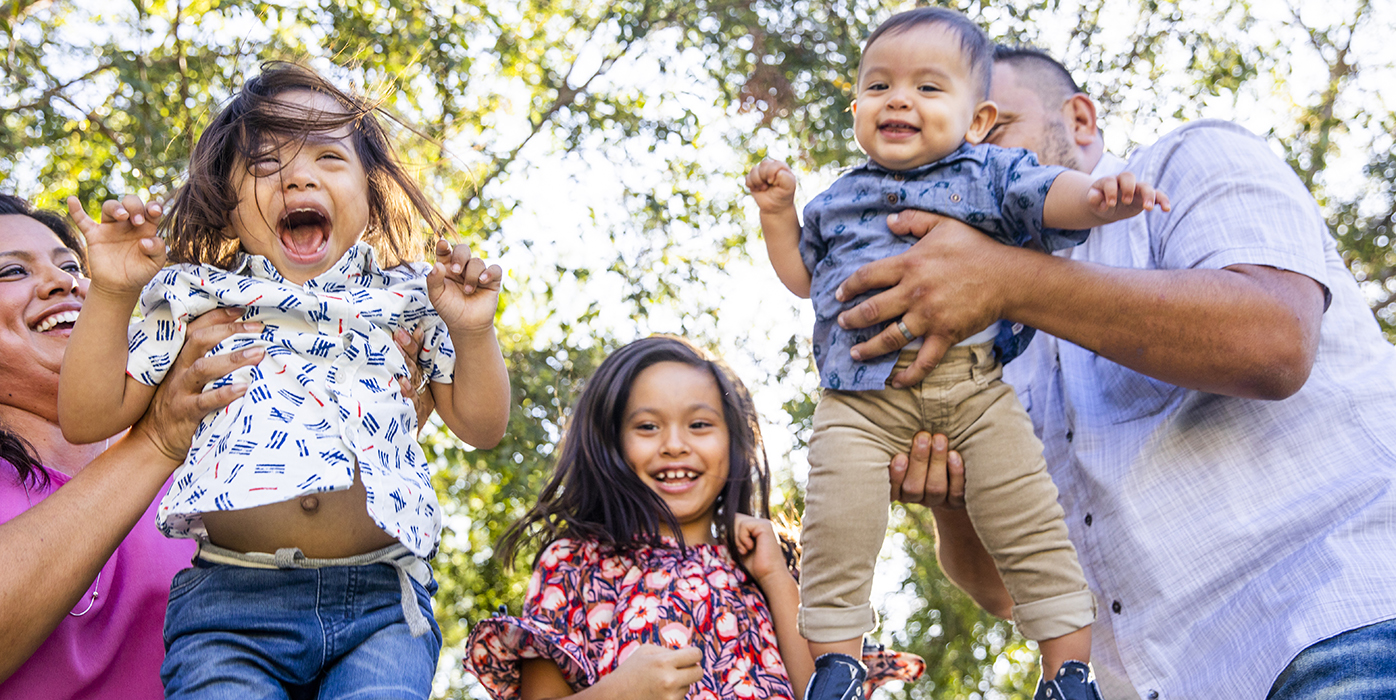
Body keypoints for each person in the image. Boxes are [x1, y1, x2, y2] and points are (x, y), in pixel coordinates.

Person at [847, 46, 1396, 699]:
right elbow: (1005, 593)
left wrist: (1006, 280)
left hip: (1344, 626)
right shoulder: (978, 351)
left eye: (991, 131)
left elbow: (1272, 340)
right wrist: (951, 504)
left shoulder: (1187, 161)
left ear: (1079, 121)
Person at [743, 10, 1166, 700]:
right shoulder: (838, 199)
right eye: (878, 86)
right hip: (858, 402)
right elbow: (802, 280)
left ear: (977, 120)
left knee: (1031, 524)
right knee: (835, 528)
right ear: (857, 109)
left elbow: (1045, 195)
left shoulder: (988, 171)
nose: (899, 99)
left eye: (928, 88)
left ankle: (1069, 673)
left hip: (975, 394)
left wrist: (1097, 200)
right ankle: (837, 665)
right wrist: (778, 216)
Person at [57, 63, 510, 697]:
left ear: (371, 191)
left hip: (380, 602)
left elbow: (483, 425)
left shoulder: (408, 298)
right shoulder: (198, 298)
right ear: (227, 202)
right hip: (232, 606)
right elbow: (86, 418)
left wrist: (473, 330)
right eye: (266, 164)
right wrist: (109, 291)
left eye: (328, 155)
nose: (298, 174)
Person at [0, 193, 263, 699]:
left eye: (70, 265)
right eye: (9, 272)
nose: (62, 282)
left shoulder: (206, 448)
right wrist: (154, 443)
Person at [462, 337, 924, 700]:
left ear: (734, 442)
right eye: (647, 426)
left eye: (699, 425)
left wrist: (776, 577)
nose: (675, 444)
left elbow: (826, 693)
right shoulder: (574, 562)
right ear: (612, 443)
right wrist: (619, 694)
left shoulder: (778, 563)